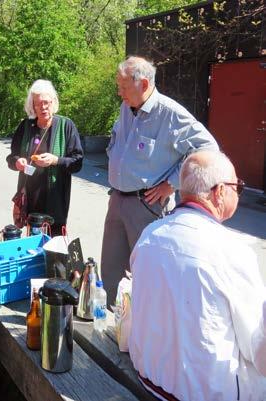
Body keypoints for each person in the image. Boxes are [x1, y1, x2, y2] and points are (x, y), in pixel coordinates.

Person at [129, 150, 266, 401]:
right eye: (238, 187)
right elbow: (261, 354)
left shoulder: (149, 234)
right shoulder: (233, 251)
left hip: (148, 380)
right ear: (220, 191)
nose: (239, 192)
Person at [100, 56, 219, 306]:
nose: (119, 92)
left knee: (147, 274)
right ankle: (110, 331)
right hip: (117, 200)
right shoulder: (127, 106)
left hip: (147, 205)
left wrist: (173, 183)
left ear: (143, 84)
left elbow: (208, 148)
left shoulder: (170, 114)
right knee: (111, 271)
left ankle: (144, 333)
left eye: (123, 86)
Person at [6, 79, 83, 236]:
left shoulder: (65, 126)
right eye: (38, 103)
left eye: (46, 103)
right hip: (29, 197)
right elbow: (11, 158)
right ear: (32, 105)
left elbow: (77, 161)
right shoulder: (25, 126)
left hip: (55, 198)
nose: (43, 107)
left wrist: (55, 160)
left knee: (54, 244)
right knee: (32, 243)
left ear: (53, 102)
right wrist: (17, 162)